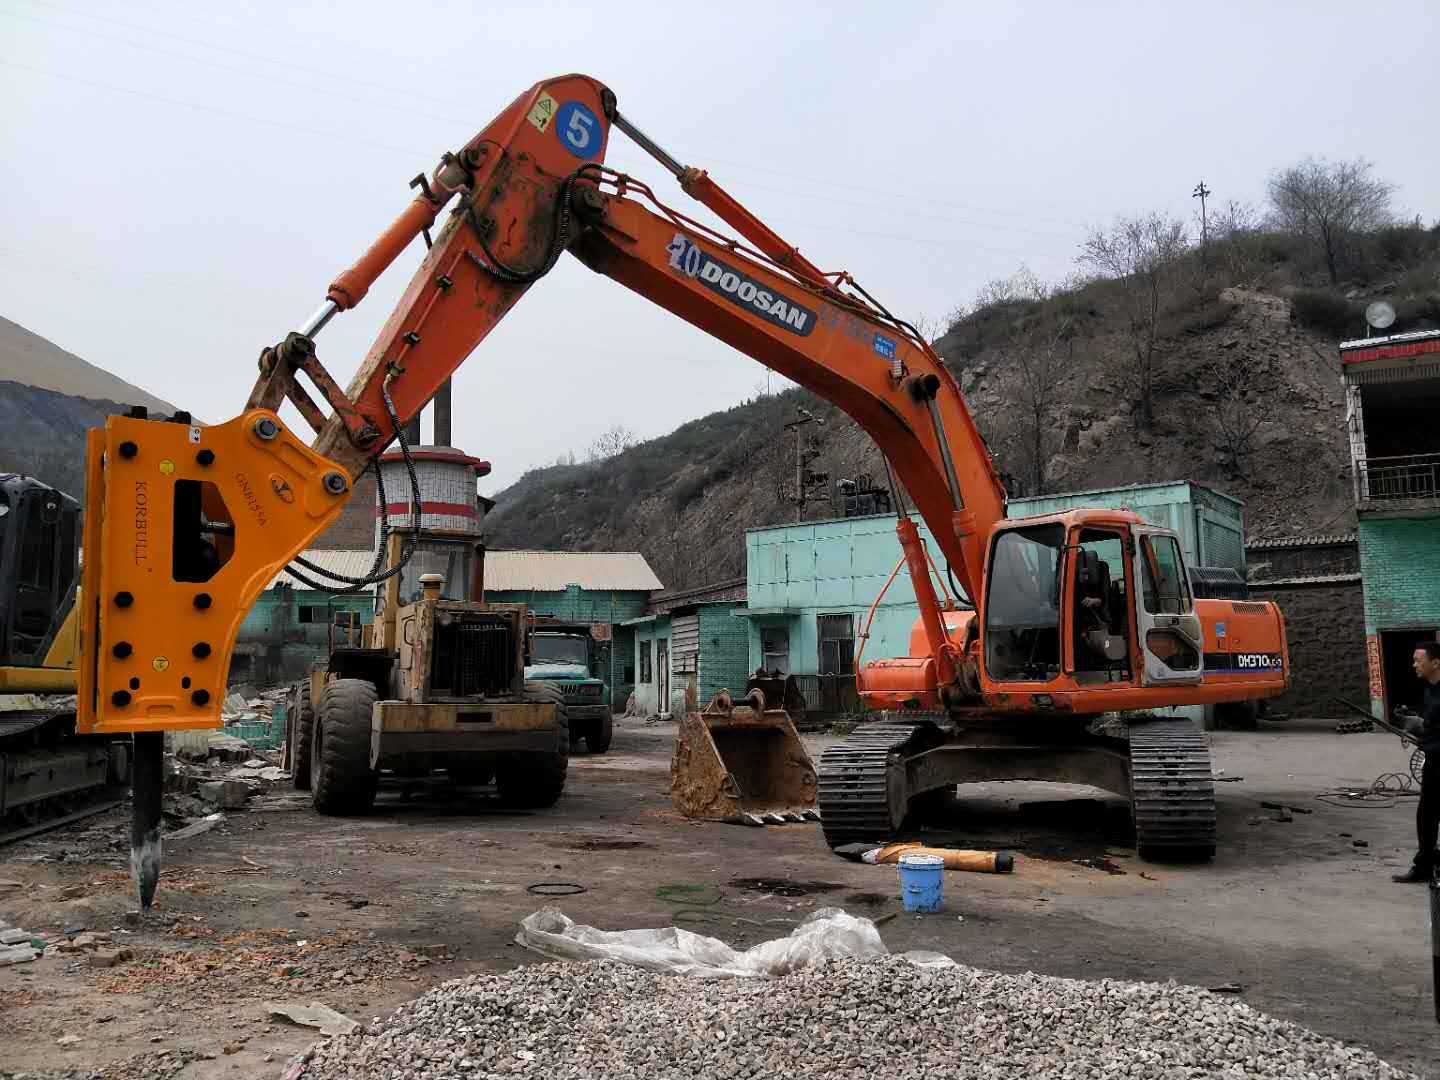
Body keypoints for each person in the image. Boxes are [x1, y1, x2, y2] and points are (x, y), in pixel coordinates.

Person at [1393, 640, 1440, 884]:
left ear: (1435, 662)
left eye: (1417, 660)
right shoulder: (1430, 689)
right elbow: (1431, 725)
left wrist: (1428, 735)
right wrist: (1416, 723)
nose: (1414, 665)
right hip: (1434, 761)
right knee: (1427, 816)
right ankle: (1425, 865)